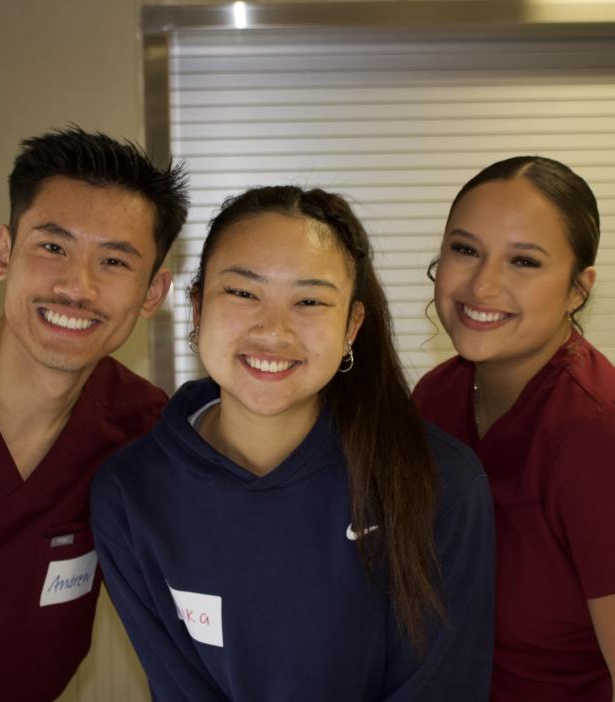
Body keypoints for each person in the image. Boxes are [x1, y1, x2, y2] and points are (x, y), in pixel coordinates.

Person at [91, 185, 495, 701]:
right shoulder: (130, 494)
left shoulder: (441, 482)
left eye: (308, 301)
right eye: (242, 293)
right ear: (196, 308)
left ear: (351, 326)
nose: (273, 331)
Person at [0, 127, 188, 702]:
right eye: (53, 247)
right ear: (3, 252)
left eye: (114, 261)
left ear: (152, 294)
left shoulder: (144, 431)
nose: (77, 287)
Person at [412, 155, 615, 701]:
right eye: (465, 249)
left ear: (578, 288)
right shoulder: (435, 396)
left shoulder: (596, 433)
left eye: (524, 261)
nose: (482, 284)